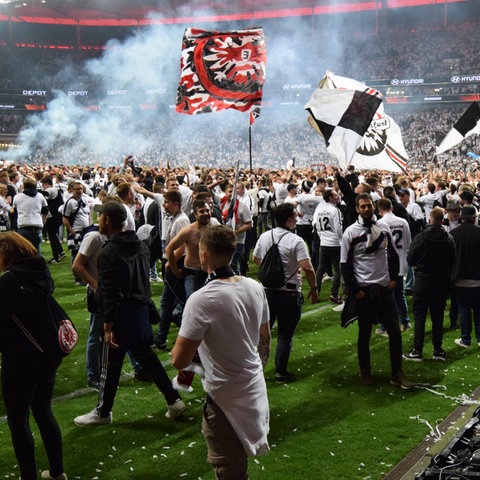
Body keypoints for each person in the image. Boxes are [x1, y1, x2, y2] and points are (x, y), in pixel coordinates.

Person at [171, 224, 271, 480]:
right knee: (238, 468)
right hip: (255, 388)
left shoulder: (202, 299)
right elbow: (265, 337)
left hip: (224, 397)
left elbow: (178, 360)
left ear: (203, 254)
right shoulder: (255, 286)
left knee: (229, 471)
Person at [74, 201, 186, 426]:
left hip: (122, 315)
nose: (98, 221)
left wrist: (108, 325)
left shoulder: (109, 252)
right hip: (140, 311)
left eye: (101, 217)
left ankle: (103, 412)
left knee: (111, 365)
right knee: (147, 358)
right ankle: (174, 400)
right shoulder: (139, 244)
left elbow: (111, 292)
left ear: (106, 219)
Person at [0, 231, 67, 480]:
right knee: (43, 410)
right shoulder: (39, 271)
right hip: (46, 352)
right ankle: (57, 472)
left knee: (19, 421)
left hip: (21, 358)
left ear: (6, 250)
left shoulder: (9, 280)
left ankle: (28, 476)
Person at [340, 193, 413, 389]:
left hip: (384, 288)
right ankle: (365, 370)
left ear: (374, 206)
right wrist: (355, 290)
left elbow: (393, 254)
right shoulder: (350, 232)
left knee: (395, 333)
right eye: (362, 206)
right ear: (357, 209)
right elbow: (345, 265)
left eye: (368, 206)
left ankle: (397, 372)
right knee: (364, 333)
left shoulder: (383, 227)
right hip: (364, 290)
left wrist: (394, 280)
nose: (366, 209)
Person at [253, 202, 318, 382]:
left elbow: (256, 258)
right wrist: (313, 288)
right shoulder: (295, 240)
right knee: (285, 334)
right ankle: (280, 371)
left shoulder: (265, 236)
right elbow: (308, 268)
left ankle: (257, 371)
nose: (296, 219)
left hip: (266, 292)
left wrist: (271, 271)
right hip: (289, 293)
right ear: (289, 220)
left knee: (263, 334)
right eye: (295, 217)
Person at [403, 207, 456, 361]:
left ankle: (417, 350)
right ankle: (437, 350)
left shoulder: (421, 237)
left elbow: (411, 259)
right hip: (440, 283)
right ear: (442, 221)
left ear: (430, 220)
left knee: (420, 318)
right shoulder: (448, 238)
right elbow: (453, 260)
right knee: (437, 318)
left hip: (423, 282)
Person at [376, 198, 412, 334]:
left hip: (386, 263)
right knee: (399, 294)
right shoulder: (403, 222)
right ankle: (405, 321)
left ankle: (385, 326)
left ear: (380, 210)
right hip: (401, 261)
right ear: (392, 207)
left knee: (384, 296)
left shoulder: (380, 223)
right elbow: (408, 243)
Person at [450, 205, 480, 348]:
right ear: (474, 218)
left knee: (464, 309)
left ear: (461, 218)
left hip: (460, 278)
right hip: (478, 279)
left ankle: (466, 338)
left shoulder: (454, 234)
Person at [313, 188, 343, 304]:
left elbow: (318, 228)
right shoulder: (335, 210)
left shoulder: (321, 210)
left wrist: (323, 238)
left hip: (324, 242)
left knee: (320, 268)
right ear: (330, 198)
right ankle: (334, 294)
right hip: (334, 243)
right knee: (337, 270)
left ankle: (316, 292)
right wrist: (341, 241)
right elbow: (338, 228)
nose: (338, 196)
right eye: (335, 195)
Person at [12, 177, 48, 252]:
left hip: (23, 226)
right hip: (37, 226)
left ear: (24, 186)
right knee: (36, 250)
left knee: (23, 251)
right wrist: (42, 223)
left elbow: (14, 213)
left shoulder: (17, 197)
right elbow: (45, 212)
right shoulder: (40, 196)